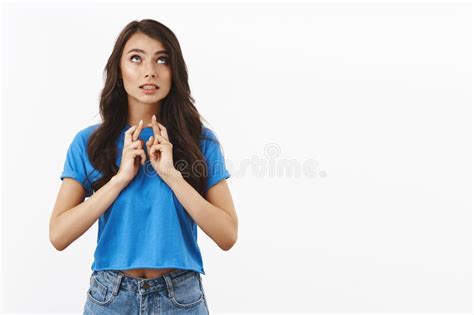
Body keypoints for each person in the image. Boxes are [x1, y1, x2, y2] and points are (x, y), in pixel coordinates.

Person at [49, 19, 238, 314]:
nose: (149, 70)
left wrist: (172, 176)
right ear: (118, 69)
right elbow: (59, 235)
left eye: (162, 59)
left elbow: (227, 234)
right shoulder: (89, 142)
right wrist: (120, 179)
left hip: (181, 297)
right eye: (136, 58)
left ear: (174, 70)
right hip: (110, 297)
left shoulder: (199, 141)